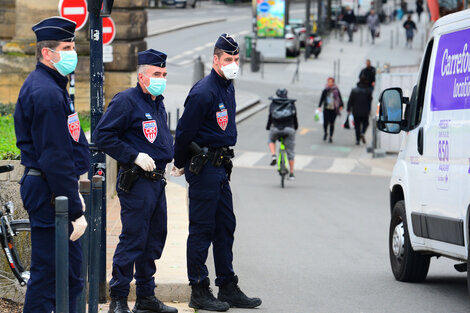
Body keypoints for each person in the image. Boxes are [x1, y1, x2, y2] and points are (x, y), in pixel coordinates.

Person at [171, 34, 262, 312]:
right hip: (204, 166)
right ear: (216, 60)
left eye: (236, 60)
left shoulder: (227, 86)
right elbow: (184, 131)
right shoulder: (204, 91)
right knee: (202, 229)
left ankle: (227, 286)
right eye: (228, 60)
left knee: (225, 227)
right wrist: (179, 162)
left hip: (221, 167)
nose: (233, 64)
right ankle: (199, 289)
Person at [14, 16, 89, 313]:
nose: (73, 53)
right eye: (68, 47)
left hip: (52, 187)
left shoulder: (55, 85)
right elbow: (55, 157)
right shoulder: (45, 92)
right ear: (47, 53)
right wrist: (74, 208)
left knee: (69, 273)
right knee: (49, 274)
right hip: (47, 190)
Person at [93, 49, 177, 313]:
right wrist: (134, 155)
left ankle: (145, 297)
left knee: (153, 240)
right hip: (137, 181)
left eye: (163, 74)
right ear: (142, 77)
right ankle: (118, 298)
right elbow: (103, 136)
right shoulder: (127, 101)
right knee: (133, 239)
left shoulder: (157, 101)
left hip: (157, 182)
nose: (161, 78)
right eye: (156, 74)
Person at [266, 88, 298, 179]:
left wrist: (268, 127)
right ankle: (291, 173)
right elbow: (295, 117)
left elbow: (270, 117)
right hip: (289, 129)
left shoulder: (273, 103)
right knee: (290, 152)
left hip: (276, 128)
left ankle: (273, 155)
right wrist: (295, 127)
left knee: (271, 140)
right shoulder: (291, 103)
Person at [347, 76, 373, 145]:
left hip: (355, 111)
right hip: (365, 111)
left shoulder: (354, 90)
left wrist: (348, 109)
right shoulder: (368, 90)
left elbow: (350, 100)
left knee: (357, 126)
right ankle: (363, 132)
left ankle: (357, 140)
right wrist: (369, 110)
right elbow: (370, 101)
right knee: (366, 123)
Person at [318, 77, 344, 143]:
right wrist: (319, 106)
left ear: (333, 82)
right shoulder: (325, 90)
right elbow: (322, 98)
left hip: (334, 109)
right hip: (326, 109)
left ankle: (331, 136)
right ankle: (325, 133)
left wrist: (341, 105)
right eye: (328, 82)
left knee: (332, 123)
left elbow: (340, 98)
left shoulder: (336, 90)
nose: (329, 83)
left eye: (331, 82)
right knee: (325, 123)